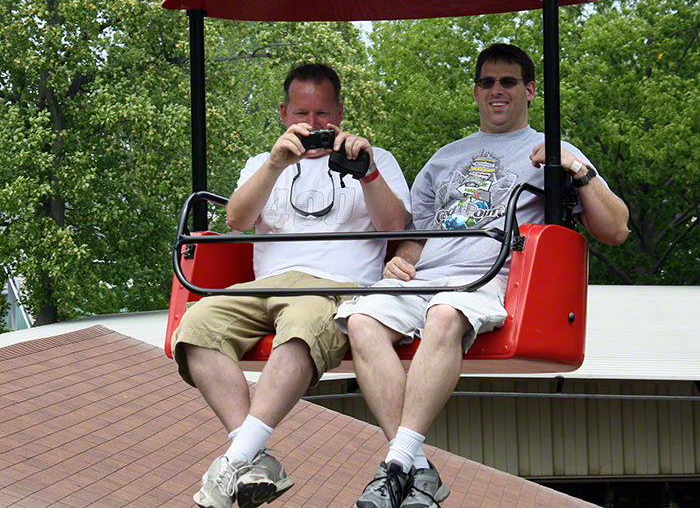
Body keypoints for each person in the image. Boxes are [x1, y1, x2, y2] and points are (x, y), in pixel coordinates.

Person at [335, 43, 630, 508]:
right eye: (488, 82)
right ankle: (414, 466)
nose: (497, 90)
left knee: (445, 314)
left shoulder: (556, 152)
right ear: (475, 91)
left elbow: (615, 229)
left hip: (488, 276)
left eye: (508, 82)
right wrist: (403, 259)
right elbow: (419, 234)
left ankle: (394, 468)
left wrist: (579, 170)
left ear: (530, 90)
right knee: (360, 320)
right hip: (427, 277)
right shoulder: (445, 157)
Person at [172, 62, 412, 508]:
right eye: (302, 114)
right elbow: (238, 220)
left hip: (336, 286)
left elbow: (396, 224)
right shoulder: (262, 163)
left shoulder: (375, 161)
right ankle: (252, 456)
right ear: (283, 113)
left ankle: (234, 461)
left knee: (301, 324)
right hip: (265, 286)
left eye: (323, 115)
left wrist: (368, 172)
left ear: (340, 111)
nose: (313, 126)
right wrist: (275, 165)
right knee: (195, 325)